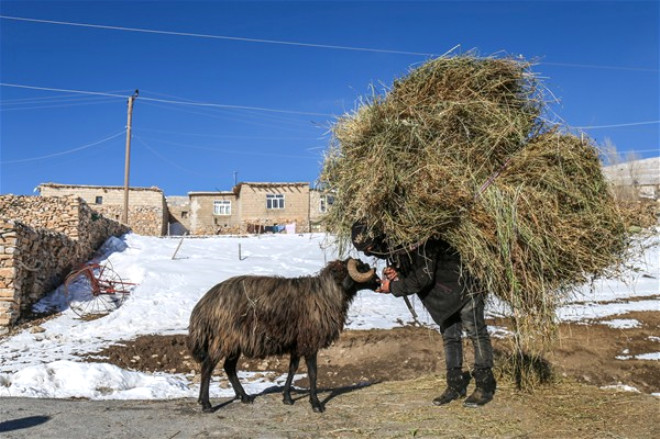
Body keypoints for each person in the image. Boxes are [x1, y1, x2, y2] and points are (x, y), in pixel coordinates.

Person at [351, 223, 496, 407]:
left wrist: (393, 287)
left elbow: (423, 276)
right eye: (367, 251)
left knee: (476, 332)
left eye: (371, 247)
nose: (371, 253)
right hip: (442, 296)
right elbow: (413, 271)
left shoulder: (418, 236)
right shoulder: (397, 245)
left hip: (463, 285)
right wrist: (398, 274)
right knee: (450, 337)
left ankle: (485, 386)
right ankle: (455, 385)